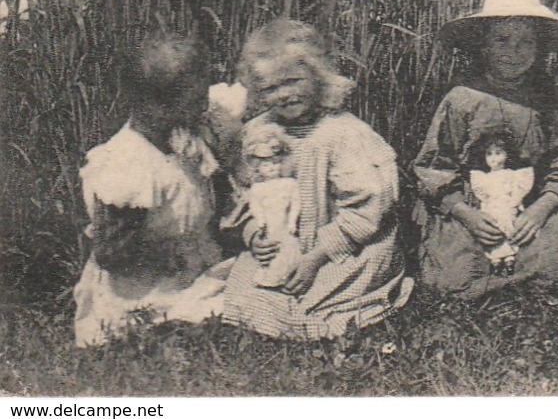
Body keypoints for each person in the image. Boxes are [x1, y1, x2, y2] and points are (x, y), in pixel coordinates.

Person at [219, 20, 411, 340]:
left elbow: (368, 207)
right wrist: (252, 234)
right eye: (270, 88)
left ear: (319, 76)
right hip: (279, 245)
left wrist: (315, 257)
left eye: (293, 80)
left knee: (337, 289)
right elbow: (242, 195)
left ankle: (317, 309)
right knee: (249, 284)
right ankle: (275, 307)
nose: (284, 94)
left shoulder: (343, 134)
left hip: (339, 248)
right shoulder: (258, 133)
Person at [412, 0, 558, 296]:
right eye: (502, 40)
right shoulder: (463, 99)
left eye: (525, 42)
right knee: (454, 271)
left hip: (530, 203)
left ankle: (525, 276)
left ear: (538, 49)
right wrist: (464, 213)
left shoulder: (547, 98)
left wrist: (543, 207)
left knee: (555, 258)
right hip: (475, 207)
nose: (513, 52)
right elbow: (435, 165)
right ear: (484, 46)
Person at [74, 36, 229, 347]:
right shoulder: (129, 164)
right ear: (156, 105)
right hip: (143, 289)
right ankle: (159, 328)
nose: (204, 106)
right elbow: (113, 253)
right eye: (195, 99)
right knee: (235, 302)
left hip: (188, 270)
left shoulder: (180, 140)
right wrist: (171, 255)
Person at [229, 123, 301, 288]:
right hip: (267, 235)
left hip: (309, 238)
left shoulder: (290, 183)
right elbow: (243, 206)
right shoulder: (254, 128)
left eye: (275, 162)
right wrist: (253, 231)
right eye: (264, 164)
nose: (271, 167)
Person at [465, 133, 531, 275]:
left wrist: (514, 203)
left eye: (498, 153)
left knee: (507, 227)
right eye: (489, 154)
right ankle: (495, 261)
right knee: (493, 228)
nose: (494, 158)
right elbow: (484, 196)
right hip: (492, 206)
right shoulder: (483, 177)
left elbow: (517, 191)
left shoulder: (512, 175)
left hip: (506, 205)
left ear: (506, 155)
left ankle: (509, 259)